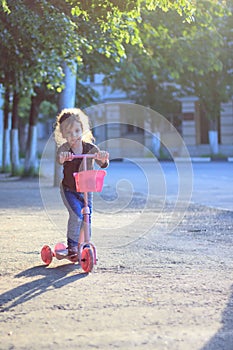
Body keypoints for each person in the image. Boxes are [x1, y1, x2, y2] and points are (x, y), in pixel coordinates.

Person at [54, 108, 109, 262]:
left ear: (82, 130)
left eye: (77, 131)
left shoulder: (90, 148)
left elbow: (102, 162)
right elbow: (59, 159)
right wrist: (64, 158)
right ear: (63, 134)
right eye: (69, 133)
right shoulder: (64, 149)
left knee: (87, 216)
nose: (74, 136)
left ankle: (84, 245)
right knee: (77, 215)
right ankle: (72, 246)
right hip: (69, 190)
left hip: (86, 188)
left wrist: (103, 159)